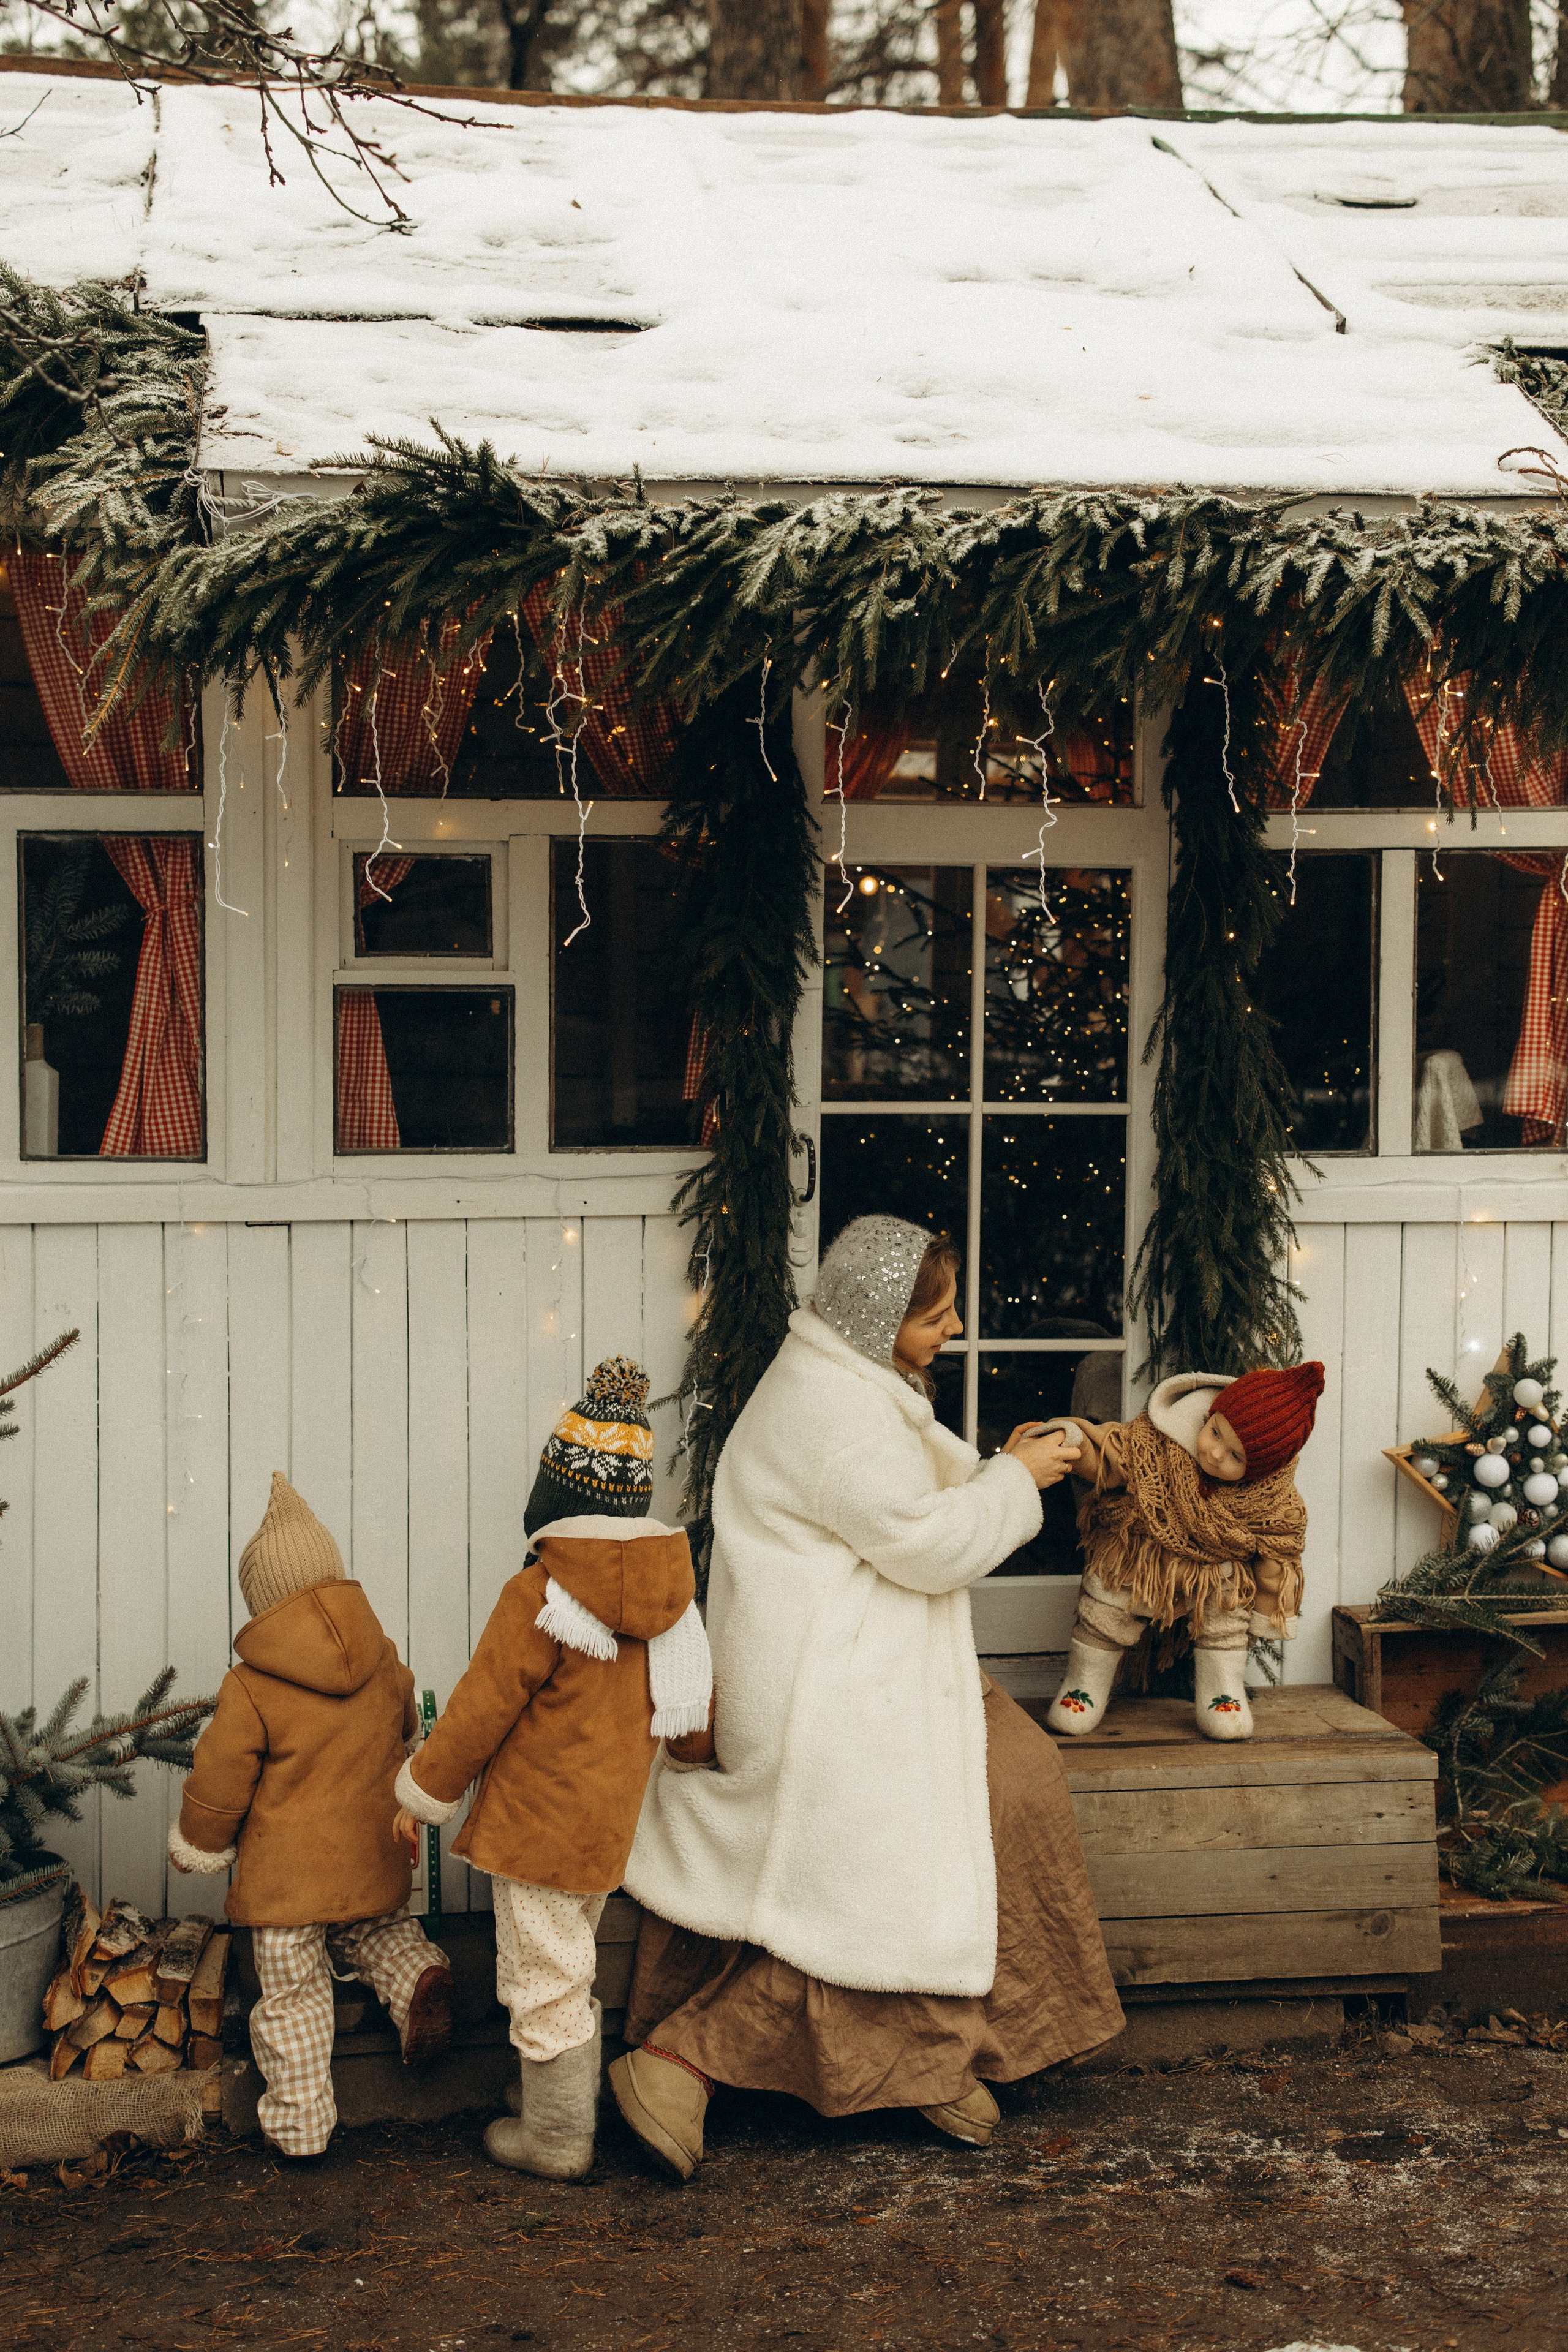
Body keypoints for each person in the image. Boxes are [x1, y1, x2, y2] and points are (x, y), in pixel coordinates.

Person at [609, 1215, 1126, 2182]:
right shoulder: (830, 1407)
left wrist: (995, 1465)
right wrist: (1019, 1480)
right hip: (822, 1690)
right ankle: (693, 2060)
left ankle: (930, 2049)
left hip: (856, 1656)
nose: (958, 1326)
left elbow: (905, 1499)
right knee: (908, 1833)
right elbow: (930, 1545)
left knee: (1016, 1778)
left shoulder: (847, 1377)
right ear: (878, 1314)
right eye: (937, 1314)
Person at [392, 1357, 712, 2182]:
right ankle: (548, 2097)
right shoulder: (668, 1598)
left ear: (555, 1498)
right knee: (567, 1960)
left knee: (543, 1975)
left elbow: (477, 1714)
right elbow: (691, 1720)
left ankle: (560, 2137)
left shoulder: (539, 1594)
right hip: (608, 1823)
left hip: (538, 1827)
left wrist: (422, 1794)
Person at [168, 1473, 453, 2161]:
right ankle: (416, 1975)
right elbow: (409, 1725)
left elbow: (220, 1779)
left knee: (291, 1991)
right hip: (371, 1860)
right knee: (378, 1930)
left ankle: (301, 2126)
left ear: (261, 1604)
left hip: (286, 1888)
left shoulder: (251, 1685)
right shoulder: (385, 1659)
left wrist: (200, 1843)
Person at [1045, 1363, 1325, 1742]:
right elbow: (1111, 1454)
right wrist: (1074, 1445)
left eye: (1236, 1457)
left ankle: (1222, 1695)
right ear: (1212, 1414)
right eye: (1215, 1432)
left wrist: (1270, 1613)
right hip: (1143, 1555)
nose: (1213, 1452)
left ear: (1260, 1470)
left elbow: (1279, 1556)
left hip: (1217, 1571)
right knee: (1108, 1605)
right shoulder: (1159, 1443)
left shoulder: (1274, 1504)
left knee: (1227, 1620)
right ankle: (1083, 1689)